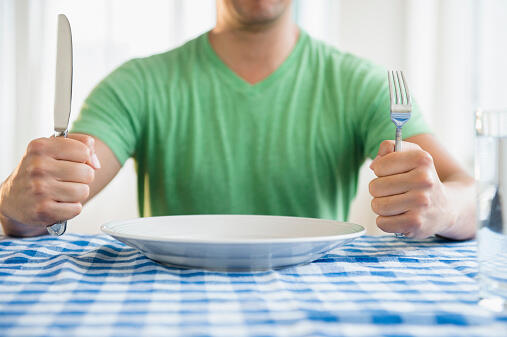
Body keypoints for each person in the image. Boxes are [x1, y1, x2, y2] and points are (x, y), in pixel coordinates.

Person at [0, 0, 475, 240]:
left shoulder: (362, 83)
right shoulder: (138, 83)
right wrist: (16, 202)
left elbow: (466, 191)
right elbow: (55, 193)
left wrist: (445, 208)